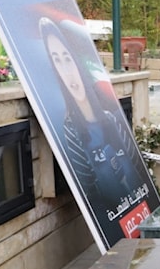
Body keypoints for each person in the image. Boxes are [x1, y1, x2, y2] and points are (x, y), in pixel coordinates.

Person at [39, 17, 148, 210]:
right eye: (57, 61)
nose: (67, 71)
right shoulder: (72, 131)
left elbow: (138, 167)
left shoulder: (112, 118)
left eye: (67, 59)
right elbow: (89, 193)